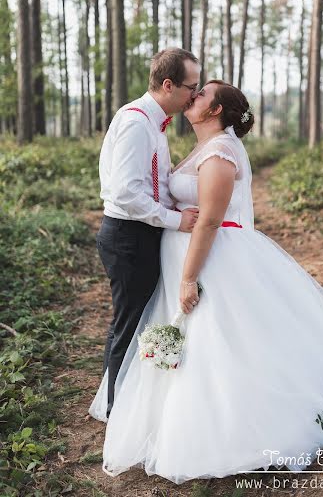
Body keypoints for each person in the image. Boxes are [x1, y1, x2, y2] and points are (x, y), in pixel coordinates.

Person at [89, 80, 323, 484]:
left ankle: (227, 429)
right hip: (186, 257)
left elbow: (212, 221)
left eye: (201, 95)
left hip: (212, 262)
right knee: (188, 341)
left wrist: (188, 277)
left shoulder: (220, 152)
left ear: (215, 111)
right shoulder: (202, 147)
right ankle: (166, 416)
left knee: (218, 341)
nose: (192, 97)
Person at [96, 48, 201, 418]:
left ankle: (126, 404)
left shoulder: (153, 122)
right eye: (192, 86)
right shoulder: (137, 122)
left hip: (140, 233)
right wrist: (175, 220)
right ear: (168, 84)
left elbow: (151, 184)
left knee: (137, 319)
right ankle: (117, 411)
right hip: (128, 236)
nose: (196, 94)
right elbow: (126, 193)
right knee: (129, 323)